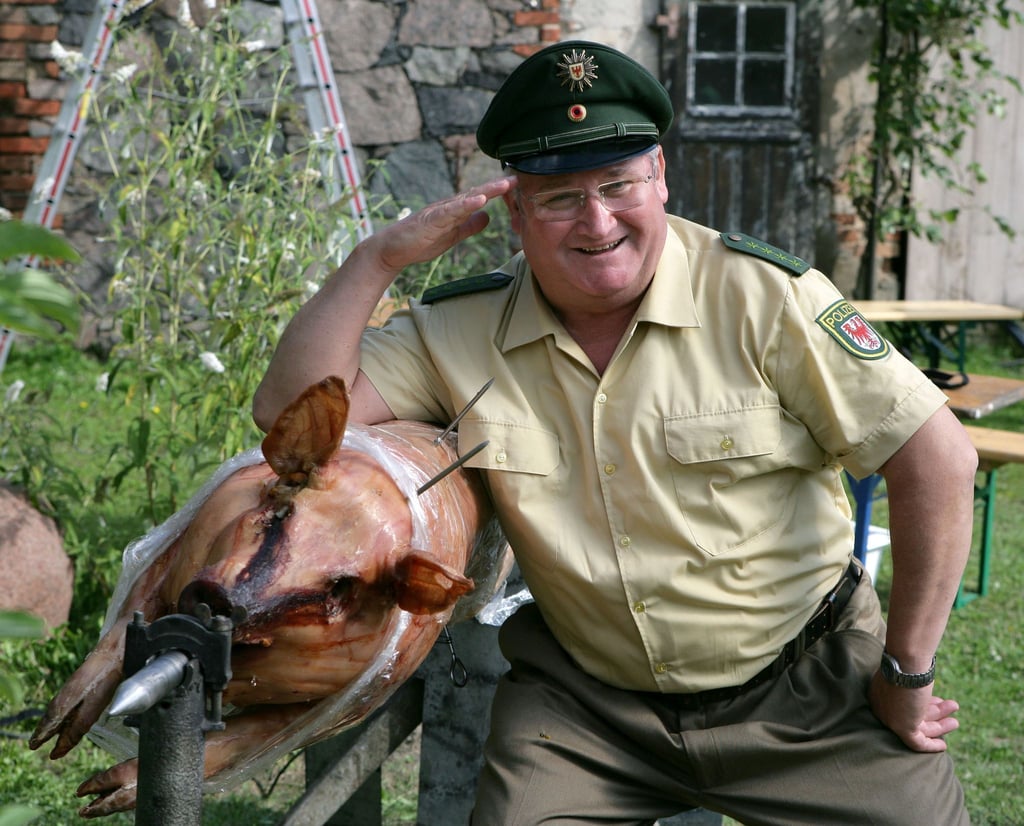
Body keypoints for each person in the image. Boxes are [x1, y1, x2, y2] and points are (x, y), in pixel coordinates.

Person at [254, 40, 979, 826]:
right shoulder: (458, 330)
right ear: (517, 210)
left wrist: (904, 675)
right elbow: (288, 417)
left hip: (809, 692)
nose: (597, 221)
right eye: (561, 196)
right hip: (586, 713)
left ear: (659, 177)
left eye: (617, 184)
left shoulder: (764, 298)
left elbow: (936, 458)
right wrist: (377, 260)